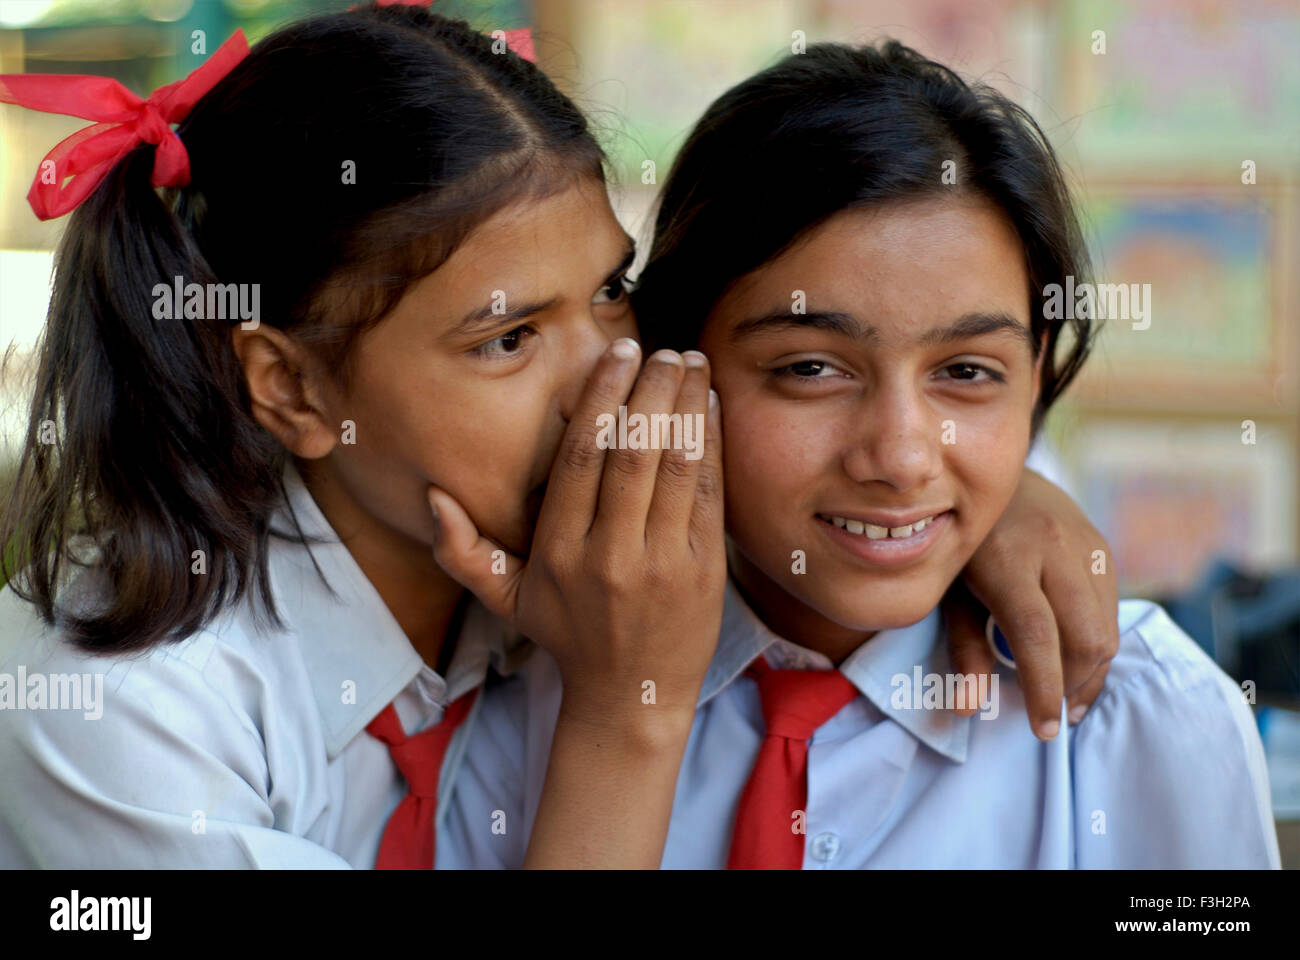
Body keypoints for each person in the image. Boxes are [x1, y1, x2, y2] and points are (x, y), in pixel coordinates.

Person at [0, 5, 1119, 868]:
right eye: (507, 340)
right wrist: (625, 714)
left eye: (611, 292)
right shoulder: (118, 711)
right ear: (291, 387)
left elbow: (873, 445)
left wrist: (1004, 497)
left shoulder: (551, 542)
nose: (610, 373)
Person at [437, 40, 1280, 869]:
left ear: (1036, 376)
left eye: (965, 371)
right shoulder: (518, 689)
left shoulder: (1142, 718)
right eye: (810, 369)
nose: (903, 458)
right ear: (672, 360)